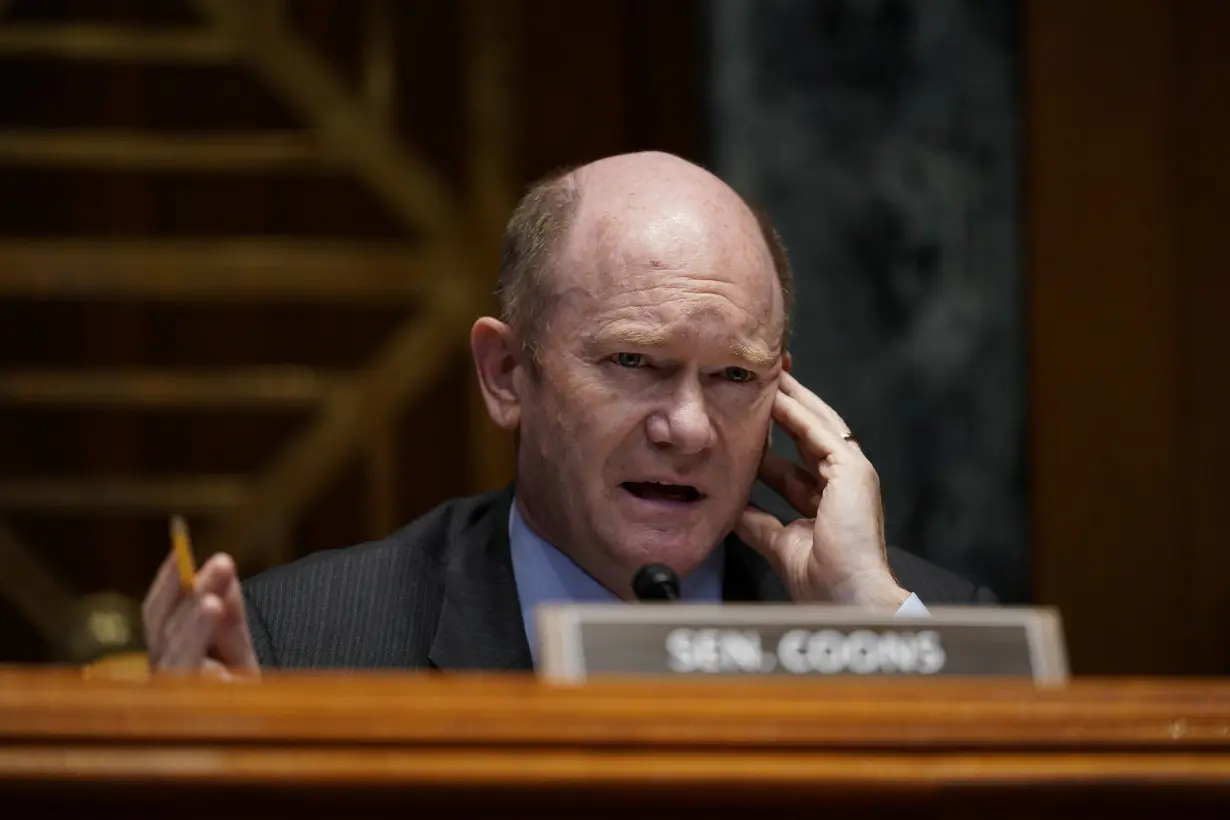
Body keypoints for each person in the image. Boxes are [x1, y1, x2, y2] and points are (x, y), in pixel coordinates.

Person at [141, 151, 995, 676]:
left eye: (735, 376)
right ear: (509, 373)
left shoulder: (924, 631)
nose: (689, 429)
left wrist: (877, 639)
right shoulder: (308, 647)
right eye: (634, 363)